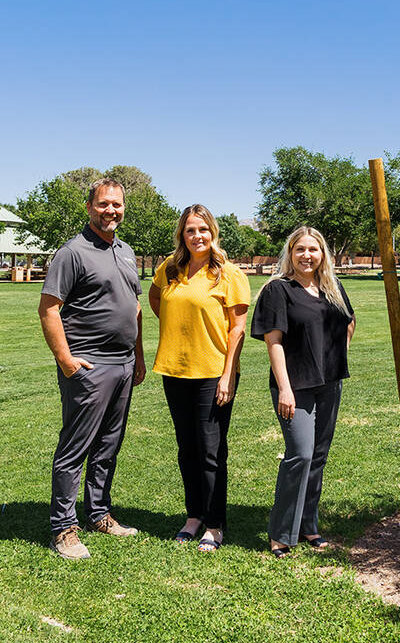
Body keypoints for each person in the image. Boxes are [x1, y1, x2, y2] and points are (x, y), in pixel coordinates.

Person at [38, 178, 146, 560]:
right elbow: (49, 309)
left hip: (124, 364)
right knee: (76, 447)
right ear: (89, 207)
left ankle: (98, 513)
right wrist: (66, 361)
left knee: (108, 446)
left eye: (116, 205)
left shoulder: (127, 251)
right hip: (89, 364)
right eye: (103, 204)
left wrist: (139, 356)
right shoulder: (73, 252)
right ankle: (63, 528)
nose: (110, 210)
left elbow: (133, 307)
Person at [148, 204, 250, 552]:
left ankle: (215, 524)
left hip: (213, 375)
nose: (197, 236)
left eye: (203, 229)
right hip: (175, 371)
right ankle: (193, 516)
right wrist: (181, 329)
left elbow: (237, 329)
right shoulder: (170, 269)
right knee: (187, 449)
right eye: (190, 230)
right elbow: (156, 299)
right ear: (182, 235)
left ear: (213, 233)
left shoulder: (229, 274)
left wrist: (227, 377)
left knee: (211, 451)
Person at [250, 226, 355, 558]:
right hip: (294, 388)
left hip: (329, 385)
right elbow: (274, 341)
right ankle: (281, 533)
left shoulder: (332, 287)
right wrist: (285, 388)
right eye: (300, 250)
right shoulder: (278, 290)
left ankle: (309, 525)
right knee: (301, 455)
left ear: (322, 253)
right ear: (290, 254)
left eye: (313, 249)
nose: (307, 256)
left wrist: (337, 358)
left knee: (318, 458)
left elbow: (349, 322)